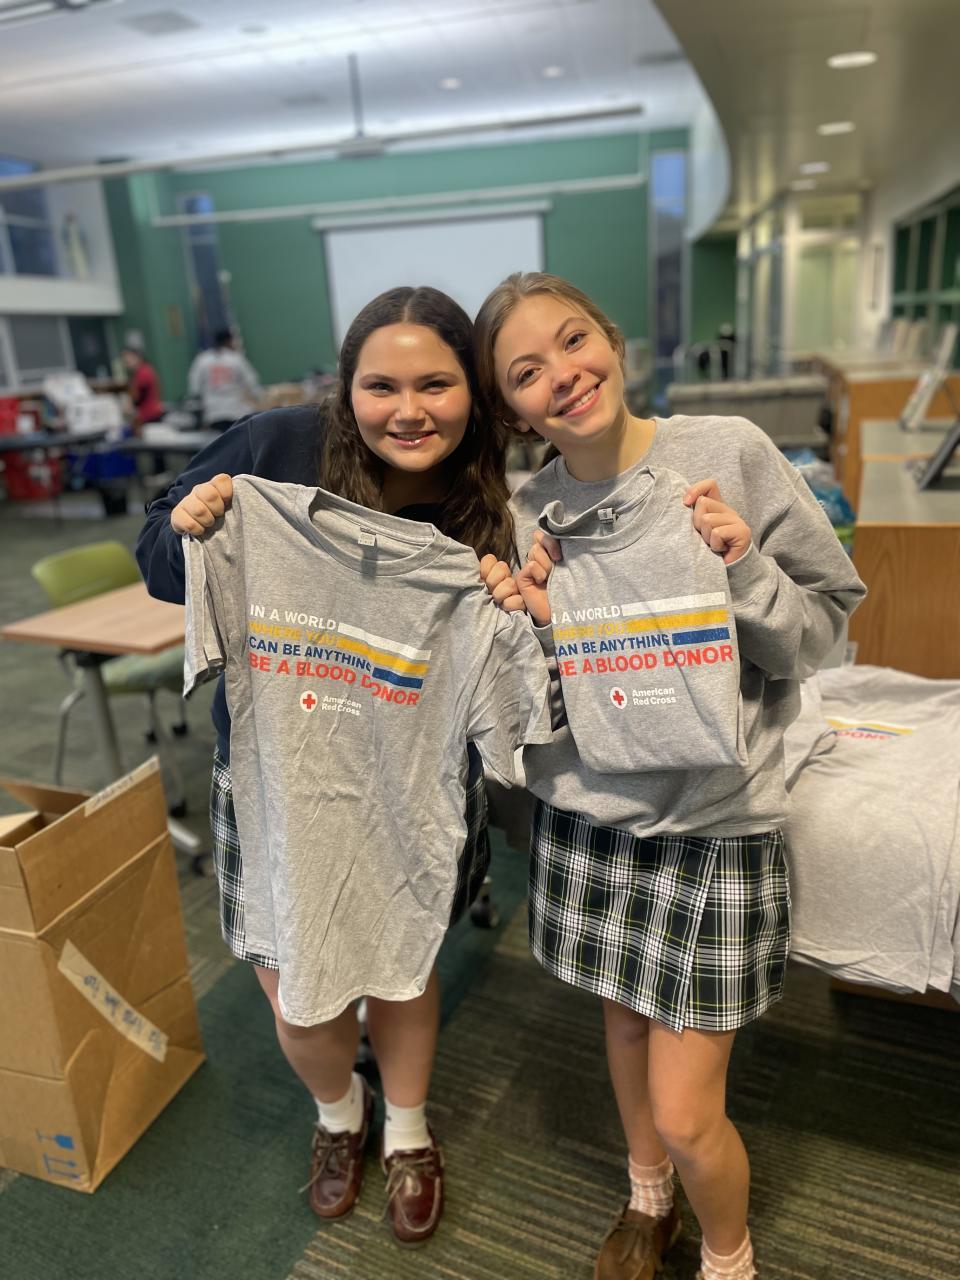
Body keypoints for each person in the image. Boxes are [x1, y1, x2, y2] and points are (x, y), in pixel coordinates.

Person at [473, 272, 867, 1280]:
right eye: (526, 372)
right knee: (622, 1020)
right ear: (510, 410)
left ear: (612, 338)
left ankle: (729, 1257)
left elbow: (822, 630)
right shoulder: (531, 514)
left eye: (573, 341)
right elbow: (540, 706)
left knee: (690, 1112)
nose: (563, 375)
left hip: (715, 825)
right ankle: (647, 1200)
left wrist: (745, 569)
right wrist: (534, 629)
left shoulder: (727, 452)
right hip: (592, 819)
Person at [137, 286, 536, 1246]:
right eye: (381, 386)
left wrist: (508, 598)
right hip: (276, 778)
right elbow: (156, 558)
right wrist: (193, 528)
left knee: (399, 969)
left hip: (407, 782)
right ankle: (338, 1112)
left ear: (472, 395)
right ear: (346, 389)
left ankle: (408, 1131)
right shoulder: (276, 450)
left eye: (436, 384)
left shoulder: (485, 504)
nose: (409, 409)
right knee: (296, 988)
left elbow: (513, 684)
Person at [188, 327, 262, 430]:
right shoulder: (236, 358)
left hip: (213, 412)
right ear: (229, 341)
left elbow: (195, 387)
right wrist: (259, 399)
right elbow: (251, 381)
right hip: (236, 410)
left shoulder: (203, 359)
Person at [121, 344, 164, 427]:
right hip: (147, 415)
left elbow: (139, 396)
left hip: (150, 416)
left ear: (138, 357)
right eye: (125, 359)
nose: (126, 361)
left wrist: (129, 406)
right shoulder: (138, 372)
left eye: (129, 358)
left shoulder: (143, 372)